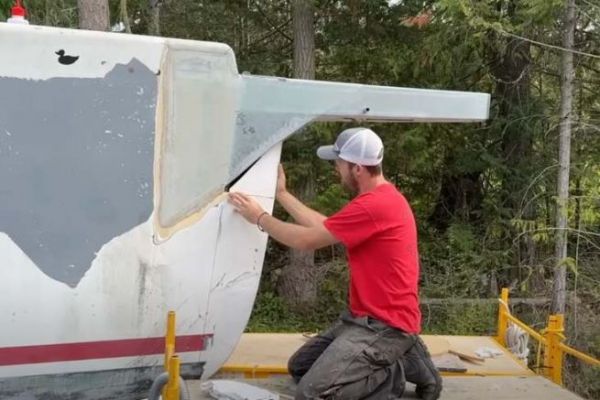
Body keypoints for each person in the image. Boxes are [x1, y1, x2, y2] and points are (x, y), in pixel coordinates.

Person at [228, 127, 442, 400]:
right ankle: (407, 356)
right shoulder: (378, 199)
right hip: (362, 319)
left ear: (357, 169)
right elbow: (324, 228)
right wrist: (282, 194)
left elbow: (307, 240)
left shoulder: (375, 205)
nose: (336, 169)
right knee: (300, 367)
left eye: (339, 162)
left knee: (313, 394)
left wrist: (259, 218)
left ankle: (394, 372)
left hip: (385, 325)